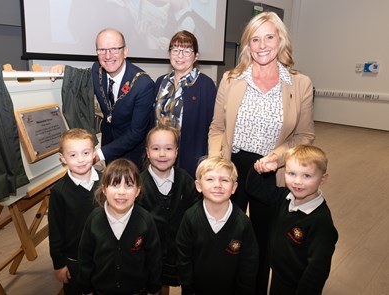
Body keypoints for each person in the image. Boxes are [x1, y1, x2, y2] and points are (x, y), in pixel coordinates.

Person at [208, 11, 315, 294]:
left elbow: (304, 136)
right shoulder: (231, 79)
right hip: (232, 166)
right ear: (247, 45)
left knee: (261, 242)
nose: (263, 45)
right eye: (255, 39)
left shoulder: (300, 83)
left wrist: (278, 157)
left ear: (281, 40)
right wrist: (216, 165)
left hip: (272, 172)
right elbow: (217, 127)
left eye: (269, 37)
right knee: (226, 236)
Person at [51, 28, 155, 170]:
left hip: (133, 153)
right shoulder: (96, 70)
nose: (107, 56)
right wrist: (63, 69)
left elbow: (136, 133)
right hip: (108, 144)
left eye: (114, 49)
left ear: (125, 52)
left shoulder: (143, 84)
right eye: (102, 50)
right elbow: (81, 79)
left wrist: (99, 154)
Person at [246, 145, 338, 294]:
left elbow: (317, 270)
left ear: (323, 179)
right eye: (291, 173)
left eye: (306, 176)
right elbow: (255, 189)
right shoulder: (284, 198)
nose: (297, 181)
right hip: (278, 274)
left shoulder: (320, 221)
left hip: (298, 284)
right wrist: (260, 170)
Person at [77, 158, 162, 295]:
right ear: (104, 189)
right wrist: (85, 288)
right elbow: (85, 257)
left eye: (129, 185)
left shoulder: (145, 220)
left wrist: (153, 288)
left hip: (137, 290)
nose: (121, 192)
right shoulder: (94, 219)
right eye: (115, 185)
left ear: (138, 191)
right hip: (101, 290)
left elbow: (154, 259)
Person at [176, 156, 259, 295]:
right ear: (198, 186)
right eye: (210, 179)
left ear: (234, 188)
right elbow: (183, 257)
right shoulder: (190, 217)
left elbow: (249, 263)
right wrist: (187, 287)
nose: (217, 185)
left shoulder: (243, 222)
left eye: (225, 180)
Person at [138, 124, 200, 295]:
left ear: (176, 151)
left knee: (186, 283)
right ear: (148, 152)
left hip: (180, 251)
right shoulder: (138, 185)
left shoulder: (186, 181)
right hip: (150, 253)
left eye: (168, 148)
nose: (162, 154)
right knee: (156, 287)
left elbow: (196, 213)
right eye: (156, 148)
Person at [154, 30, 216, 177]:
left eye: (187, 51)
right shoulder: (160, 82)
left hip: (189, 161)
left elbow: (213, 126)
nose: (180, 56)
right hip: (159, 158)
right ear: (169, 54)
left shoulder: (205, 85)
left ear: (196, 56)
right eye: (175, 50)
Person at [48, 128, 101, 295]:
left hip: (104, 255)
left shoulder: (106, 181)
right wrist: (59, 264)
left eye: (85, 153)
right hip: (75, 259)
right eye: (73, 155)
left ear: (94, 153)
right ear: (62, 158)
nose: (80, 160)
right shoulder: (59, 191)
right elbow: (55, 231)